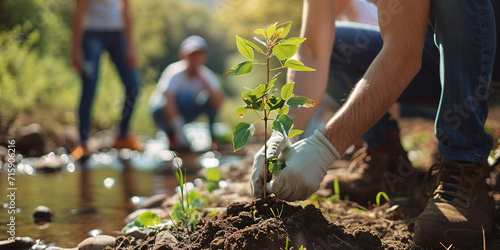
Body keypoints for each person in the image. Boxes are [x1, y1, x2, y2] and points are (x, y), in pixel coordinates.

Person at [252, 0, 497, 248]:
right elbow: (313, 52)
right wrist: (283, 132)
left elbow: (404, 52)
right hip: (439, 58)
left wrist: (324, 147)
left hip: (488, 53)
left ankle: (464, 161)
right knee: (337, 46)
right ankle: (386, 158)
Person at [70, 0, 143, 160]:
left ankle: (122, 135)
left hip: (118, 34)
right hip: (91, 33)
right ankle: (82, 142)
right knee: (89, 86)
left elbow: (126, 9)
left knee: (134, 86)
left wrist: (130, 46)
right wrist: (76, 49)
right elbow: (79, 10)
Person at [149, 35, 225, 150]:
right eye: (192, 55)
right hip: (163, 113)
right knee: (177, 100)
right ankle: (173, 137)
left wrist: (204, 81)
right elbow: (168, 100)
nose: (195, 59)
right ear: (183, 56)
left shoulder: (206, 75)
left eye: (198, 55)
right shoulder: (174, 72)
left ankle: (212, 139)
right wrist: (179, 129)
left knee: (207, 100)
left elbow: (218, 102)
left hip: (187, 111)